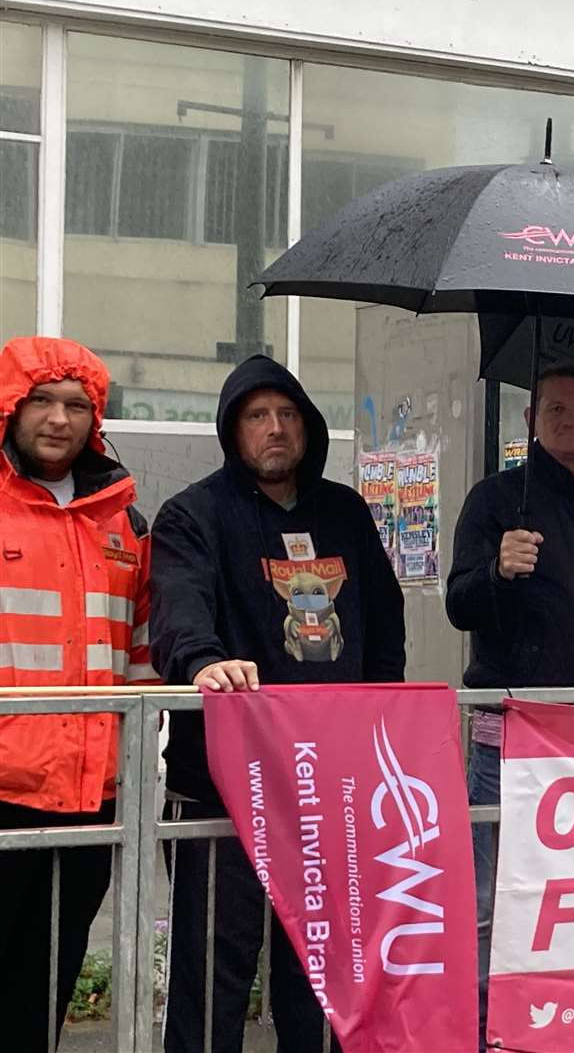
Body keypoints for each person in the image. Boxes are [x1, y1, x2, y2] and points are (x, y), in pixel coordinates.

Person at [151, 354, 405, 1053]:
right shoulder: (193, 515)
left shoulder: (344, 512)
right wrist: (204, 663)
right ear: (233, 431)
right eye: (257, 417)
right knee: (214, 970)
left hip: (335, 789)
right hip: (226, 790)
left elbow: (384, 625)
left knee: (322, 970)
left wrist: (385, 710)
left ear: (308, 426)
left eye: (288, 415)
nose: (274, 430)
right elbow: (177, 611)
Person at [0, 337, 155, 1051]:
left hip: (93, 794)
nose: (59, 419)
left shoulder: (122, 520)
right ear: (11, 406)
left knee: (49, 980)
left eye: (77, 405)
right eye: (42, 401)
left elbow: (144, 656)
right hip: (5, 787)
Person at [446, 361, 574, 1034]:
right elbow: (458, 604)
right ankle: (486, 1026)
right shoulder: (495, 500)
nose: (569, 422)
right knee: (491, 894)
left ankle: (571, 1018)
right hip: (508, 731)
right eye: (555, 411)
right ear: (529, 421)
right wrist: (496, 571)